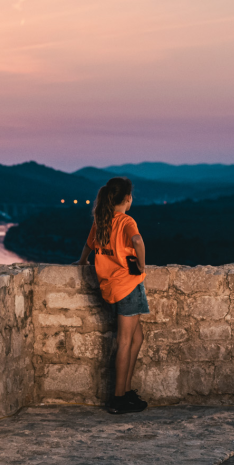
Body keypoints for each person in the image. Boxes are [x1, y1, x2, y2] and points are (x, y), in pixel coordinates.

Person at [76, 177, 149, 414]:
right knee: (125, 342)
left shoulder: (102, 221)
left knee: (137, 338)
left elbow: (89, 245)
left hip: (111, 289)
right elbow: (137, 240)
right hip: (128, 286)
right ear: (127, 199)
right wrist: (142, 264)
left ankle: (126, 391)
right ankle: (118, 399)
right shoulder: (126, 221)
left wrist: (82, 261)